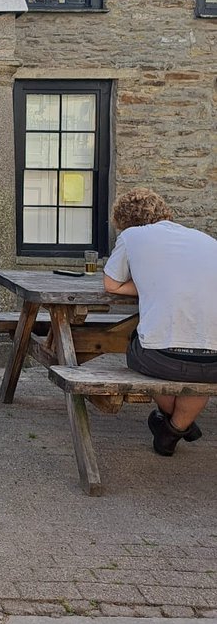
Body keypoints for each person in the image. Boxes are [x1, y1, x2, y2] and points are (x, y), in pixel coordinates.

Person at [103, 188, 217, 456]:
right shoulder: (206, 240)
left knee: (142, 344)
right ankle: (178, 427)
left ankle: (173, 427)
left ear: (123, 220)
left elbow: (111, 284)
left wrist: (149, 284)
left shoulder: (131, 237)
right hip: (214, 362)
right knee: (198, 374)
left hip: (160, 358)